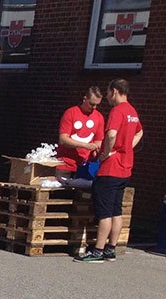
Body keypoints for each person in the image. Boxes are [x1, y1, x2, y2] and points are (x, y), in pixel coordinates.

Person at [78, 79, 143, 263]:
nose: (107, 97)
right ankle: (111, 248)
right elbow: (140, 132)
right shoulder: (132, 112)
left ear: (114, 91)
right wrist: (127, 148)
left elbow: (112, 134)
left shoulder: (117, 111)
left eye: (107, 93)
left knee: (104, 211)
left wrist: (106, 153)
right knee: (116, 210)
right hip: (125, 168)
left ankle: (98, 250)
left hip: (111, 168)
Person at [56, 87, 104, 182]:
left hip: (85, 165)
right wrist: (85, 145)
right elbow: (63, 139)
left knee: (82, 195)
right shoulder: (71, 113)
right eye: (91, 104)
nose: (94, 107)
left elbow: (99, 140)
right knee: (61, 194)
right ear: (85, 98)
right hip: (65, 164)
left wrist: (96, 148)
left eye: (96, 105)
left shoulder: (99, 117)